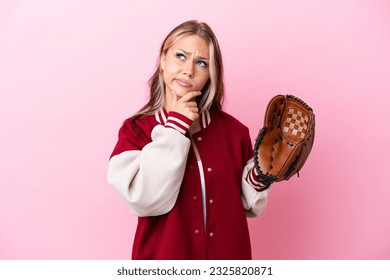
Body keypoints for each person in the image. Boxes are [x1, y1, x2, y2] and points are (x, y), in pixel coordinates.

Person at [107, 20, 271, 260]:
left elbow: (247, 205)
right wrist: (174, 126)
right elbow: (145, 200)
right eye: (180, 56)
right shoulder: (135, 131)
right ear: (163, 60)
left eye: (201, 63)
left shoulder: (235, 132)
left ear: (210, 75)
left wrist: (260, 176)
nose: (188, 70)